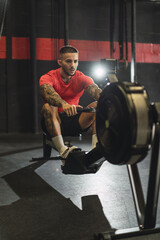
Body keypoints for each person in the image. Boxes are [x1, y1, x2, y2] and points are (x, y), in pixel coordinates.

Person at [39, 45, 102, 164]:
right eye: (68, 61)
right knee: (48, 106)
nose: (73, 65)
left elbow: (96, 92)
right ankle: (63, 151)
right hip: (54, 122)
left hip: (75, 121)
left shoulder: (82, 78)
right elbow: (48, 93)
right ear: (60, 62)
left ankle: (96, 149)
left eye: (75, 61)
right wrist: (64, 104)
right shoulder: (49, 77)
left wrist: (115, 101)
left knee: (99, 104)